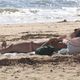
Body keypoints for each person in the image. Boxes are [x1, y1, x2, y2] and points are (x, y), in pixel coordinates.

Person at [0, 28, 80, 54]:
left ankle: (6, 49)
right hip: (59, 44)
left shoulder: (75, 40)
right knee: (34, 43)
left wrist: (62, 39)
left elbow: (70, 41)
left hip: (57, 45)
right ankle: (8, 48)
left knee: (33, 45)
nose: (74, 30)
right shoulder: (75, 40)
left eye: (75, 31)